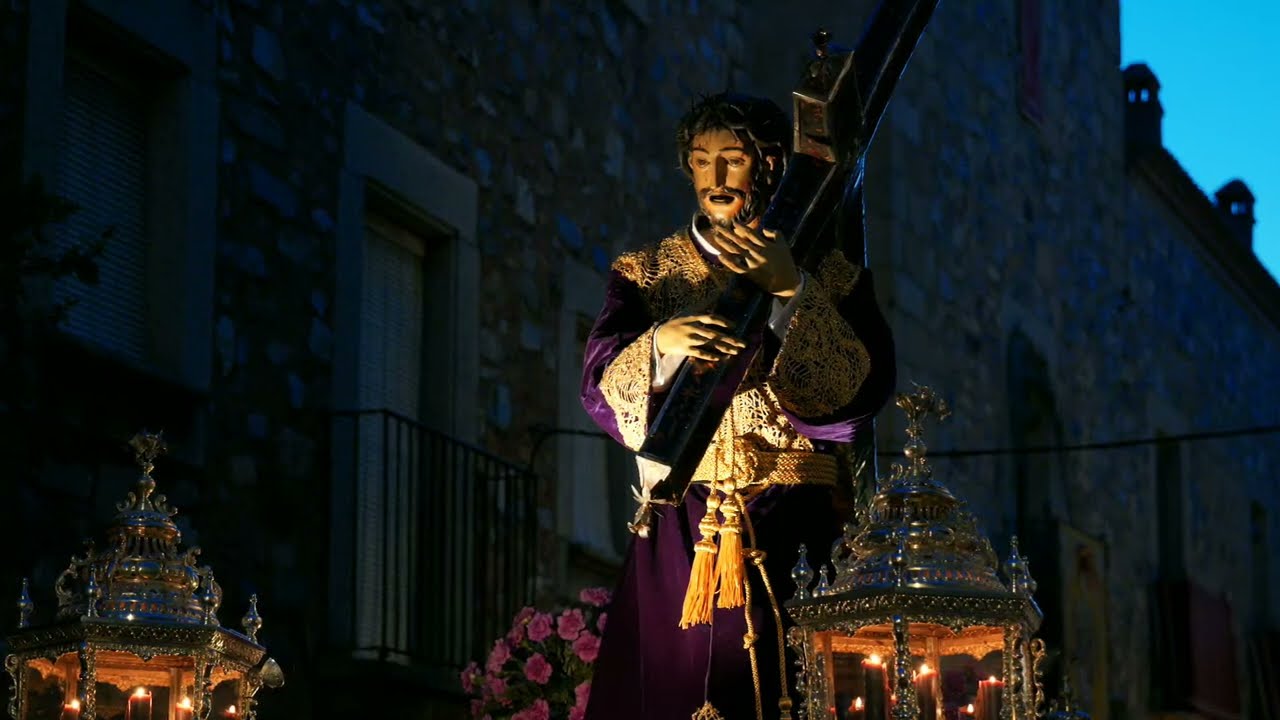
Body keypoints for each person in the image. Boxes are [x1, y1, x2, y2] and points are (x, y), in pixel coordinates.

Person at [580, 91, 896, 720]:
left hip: (794, 523)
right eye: (701, 161)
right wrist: (661, 345)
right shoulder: (647, 275)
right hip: (681, 531)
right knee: (669, 687)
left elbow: (853, 401)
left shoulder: (831, 276)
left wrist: (789, 291)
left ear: (770, 165)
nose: (715, 178)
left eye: (732, 159)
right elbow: (599, 393)